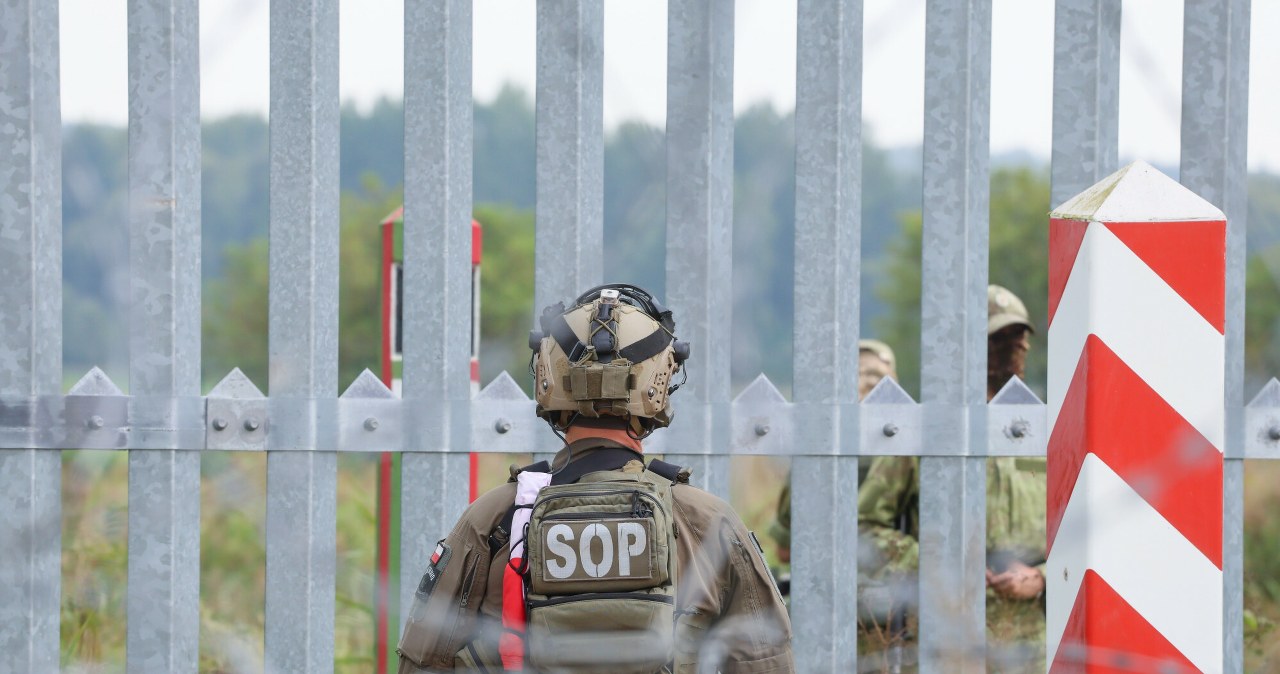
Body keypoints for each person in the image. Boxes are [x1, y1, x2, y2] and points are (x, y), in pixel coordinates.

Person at [397, 284, 794, 673]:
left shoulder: (494, 519)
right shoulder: (707, 522)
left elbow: (421, 660)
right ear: (660, 379)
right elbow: (768, 661)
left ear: (547, 376)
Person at [768, 338, 899, 564]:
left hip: (817, 585)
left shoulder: (811, 455)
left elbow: (785, 551)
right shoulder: (908, 453)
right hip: (898, 588)